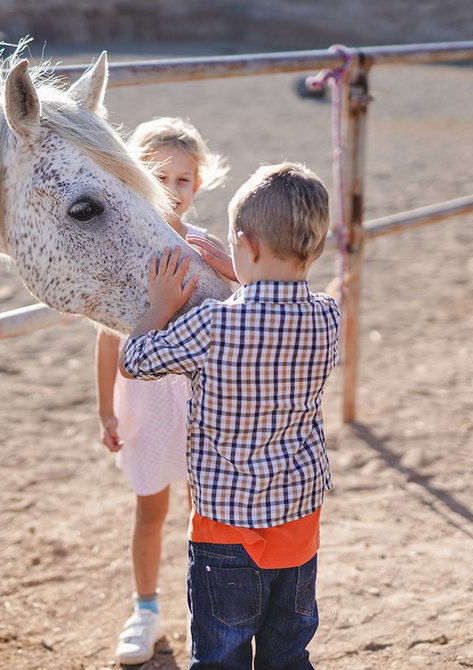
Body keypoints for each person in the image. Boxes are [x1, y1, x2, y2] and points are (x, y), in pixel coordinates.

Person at [121, 162, 341, 669]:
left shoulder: (212, 325)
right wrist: (239, 270)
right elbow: (274, 311)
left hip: (225, 530)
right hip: (299, 523)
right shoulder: (327, 317)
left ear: (247, 245)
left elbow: (135, 361)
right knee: (288, 654)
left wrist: (159, 304)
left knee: (222, 657)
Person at [94, 117, 228, 665]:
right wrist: (106, 408)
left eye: (184, 179)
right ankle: (145, 610)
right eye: (160, 176)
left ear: (198, 185)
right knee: (149, 511)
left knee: (207, 513)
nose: (173, 190)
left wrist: (234, 273)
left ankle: (212, 610)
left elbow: (238, 316)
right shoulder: (122, 252)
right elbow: (107, 340)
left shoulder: (210, 249)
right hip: (146, 400)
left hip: (202, 402)